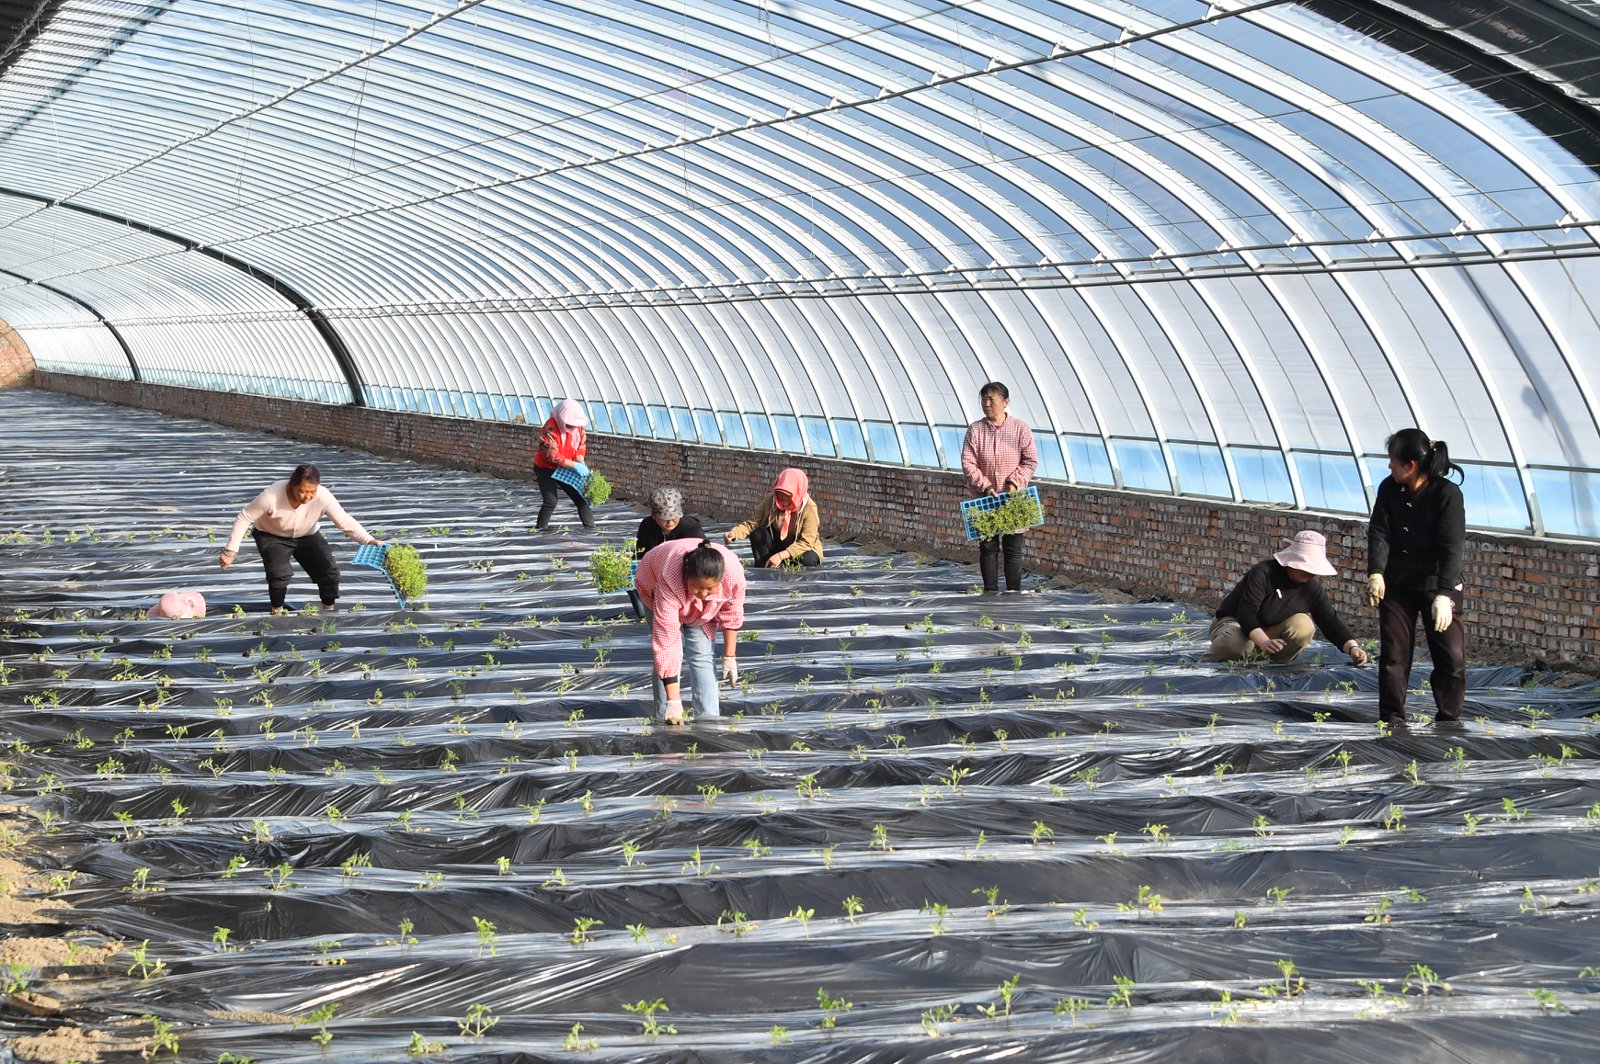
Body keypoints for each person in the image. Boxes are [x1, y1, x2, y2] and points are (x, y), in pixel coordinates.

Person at [1367, 428, 1467, 727]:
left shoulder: (1446, 495)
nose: (1389, 467)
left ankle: (1448, 721)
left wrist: (1444, 595)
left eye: (1392, 461)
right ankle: (1392, 720)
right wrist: (1376, 573)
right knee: (1394, 656)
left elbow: (1452, 546)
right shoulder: (1389, 489)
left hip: (1437, 583)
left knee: (1451, 656)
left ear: (1410, 465)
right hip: (1397, 584)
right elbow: (1379, 531)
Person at [219, 464, 380, 614]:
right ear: (292, 485)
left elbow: (344, 522)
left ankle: (328, 612)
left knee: (329, 572)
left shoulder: (323, 496)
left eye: (312, 492)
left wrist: (369, 541)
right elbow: (245, 517)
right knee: (279, 574)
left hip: (307, 534)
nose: (307, 497)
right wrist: (230, 551)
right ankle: (277, 612)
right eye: (303, 491)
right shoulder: (272, 496)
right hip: (272, 535)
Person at [1203, 530, 1369, 666]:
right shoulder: (1264, 573)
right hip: (1235, 624)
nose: (1309, 573)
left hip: (1270, 631)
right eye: (1304, 567)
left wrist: (1352, 648)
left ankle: (1275, 669)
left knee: (1303, 625)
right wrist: (1264, 642)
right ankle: (1208, 667)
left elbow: (1330, 622)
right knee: (1238, 642)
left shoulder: (1311, 590)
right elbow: (1246, 612)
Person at [634, 538, 745, 724]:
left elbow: (732, 613)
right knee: (669, 656)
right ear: (686, 577)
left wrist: (730, 656)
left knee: (702, 654)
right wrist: (674, 701)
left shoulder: (733, 576)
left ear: (720, 580)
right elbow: (666, 642)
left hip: (702, 603)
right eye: (697, 587)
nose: (703, 594)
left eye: (710, 588)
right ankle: (667, 714)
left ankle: (708, 720)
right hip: (653, 580)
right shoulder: (670, 579)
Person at [960, 381, 1039, 593]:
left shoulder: (1020, 428)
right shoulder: (976, 430)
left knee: (1013, 547)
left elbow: (1030, 461)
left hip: (1014, 498)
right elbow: (968, 463)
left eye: (991, 399)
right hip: (985, 499)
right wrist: (985, 486)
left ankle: (1013, 591)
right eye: (983, 399)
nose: (986, 403)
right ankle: (990, 591)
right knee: (988, 547)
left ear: (1005, 402)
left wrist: (1014, 483)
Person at [627, 488, 705, 619]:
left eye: (674, 517)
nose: (670, 522)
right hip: (655, 575)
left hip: (682, 577)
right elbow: (640, 554)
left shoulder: (691, 529)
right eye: (664, 518)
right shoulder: (647, 525)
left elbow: (703, 559)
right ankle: (646, 611)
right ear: (654, 515)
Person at [724, 468, 822, 568]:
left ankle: (785, 566)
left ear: (797, 493)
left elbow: (806, 542)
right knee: (758, 534)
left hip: (800, 550)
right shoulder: (771, 501)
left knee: (808, 559)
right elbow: (752, 523)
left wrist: (781, 556)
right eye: (780, 493)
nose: (783, 497)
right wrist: (735, 533)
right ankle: (764, 567)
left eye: (788, 495)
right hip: (778, 545)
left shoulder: (809, 508)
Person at [533, 398, 594, 531]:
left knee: (581, 499)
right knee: (551, 502)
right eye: (570, 425)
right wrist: (574, 465)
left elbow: (580, 445)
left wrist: (580, 460)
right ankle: (539, 531)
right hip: (545, 468)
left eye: (574, 425)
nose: (572, 429)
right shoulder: (550, 428)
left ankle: (591, 531)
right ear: (562, 417)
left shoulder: (578, 427)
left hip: (566, 466)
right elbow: (551, 455)